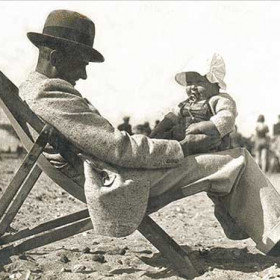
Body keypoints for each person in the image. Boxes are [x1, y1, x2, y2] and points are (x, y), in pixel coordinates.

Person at [18, 9, 280, 256]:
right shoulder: (49, 93)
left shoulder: (32, 90)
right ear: (55, 58)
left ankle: (260, 231)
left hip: (110, 171)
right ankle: (273, 237)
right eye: (81, 64)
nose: (84, 75)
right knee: (238, 161)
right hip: (119, 179)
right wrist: (186, 147)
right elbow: (119, 149)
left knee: (227, 163)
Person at [150, 53, 235, 151]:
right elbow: (172, 116)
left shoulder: (218, 100)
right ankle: (161, 147)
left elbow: (226, 119)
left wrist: (201, 127)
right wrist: (158, 129)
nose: (193, 87)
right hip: (182, 136)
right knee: (164, 137)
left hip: (207, 140)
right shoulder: (186, 103)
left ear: (215, 84)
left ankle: (174, 150)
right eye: (189, 83)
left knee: (201, 140)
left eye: (199, 82)